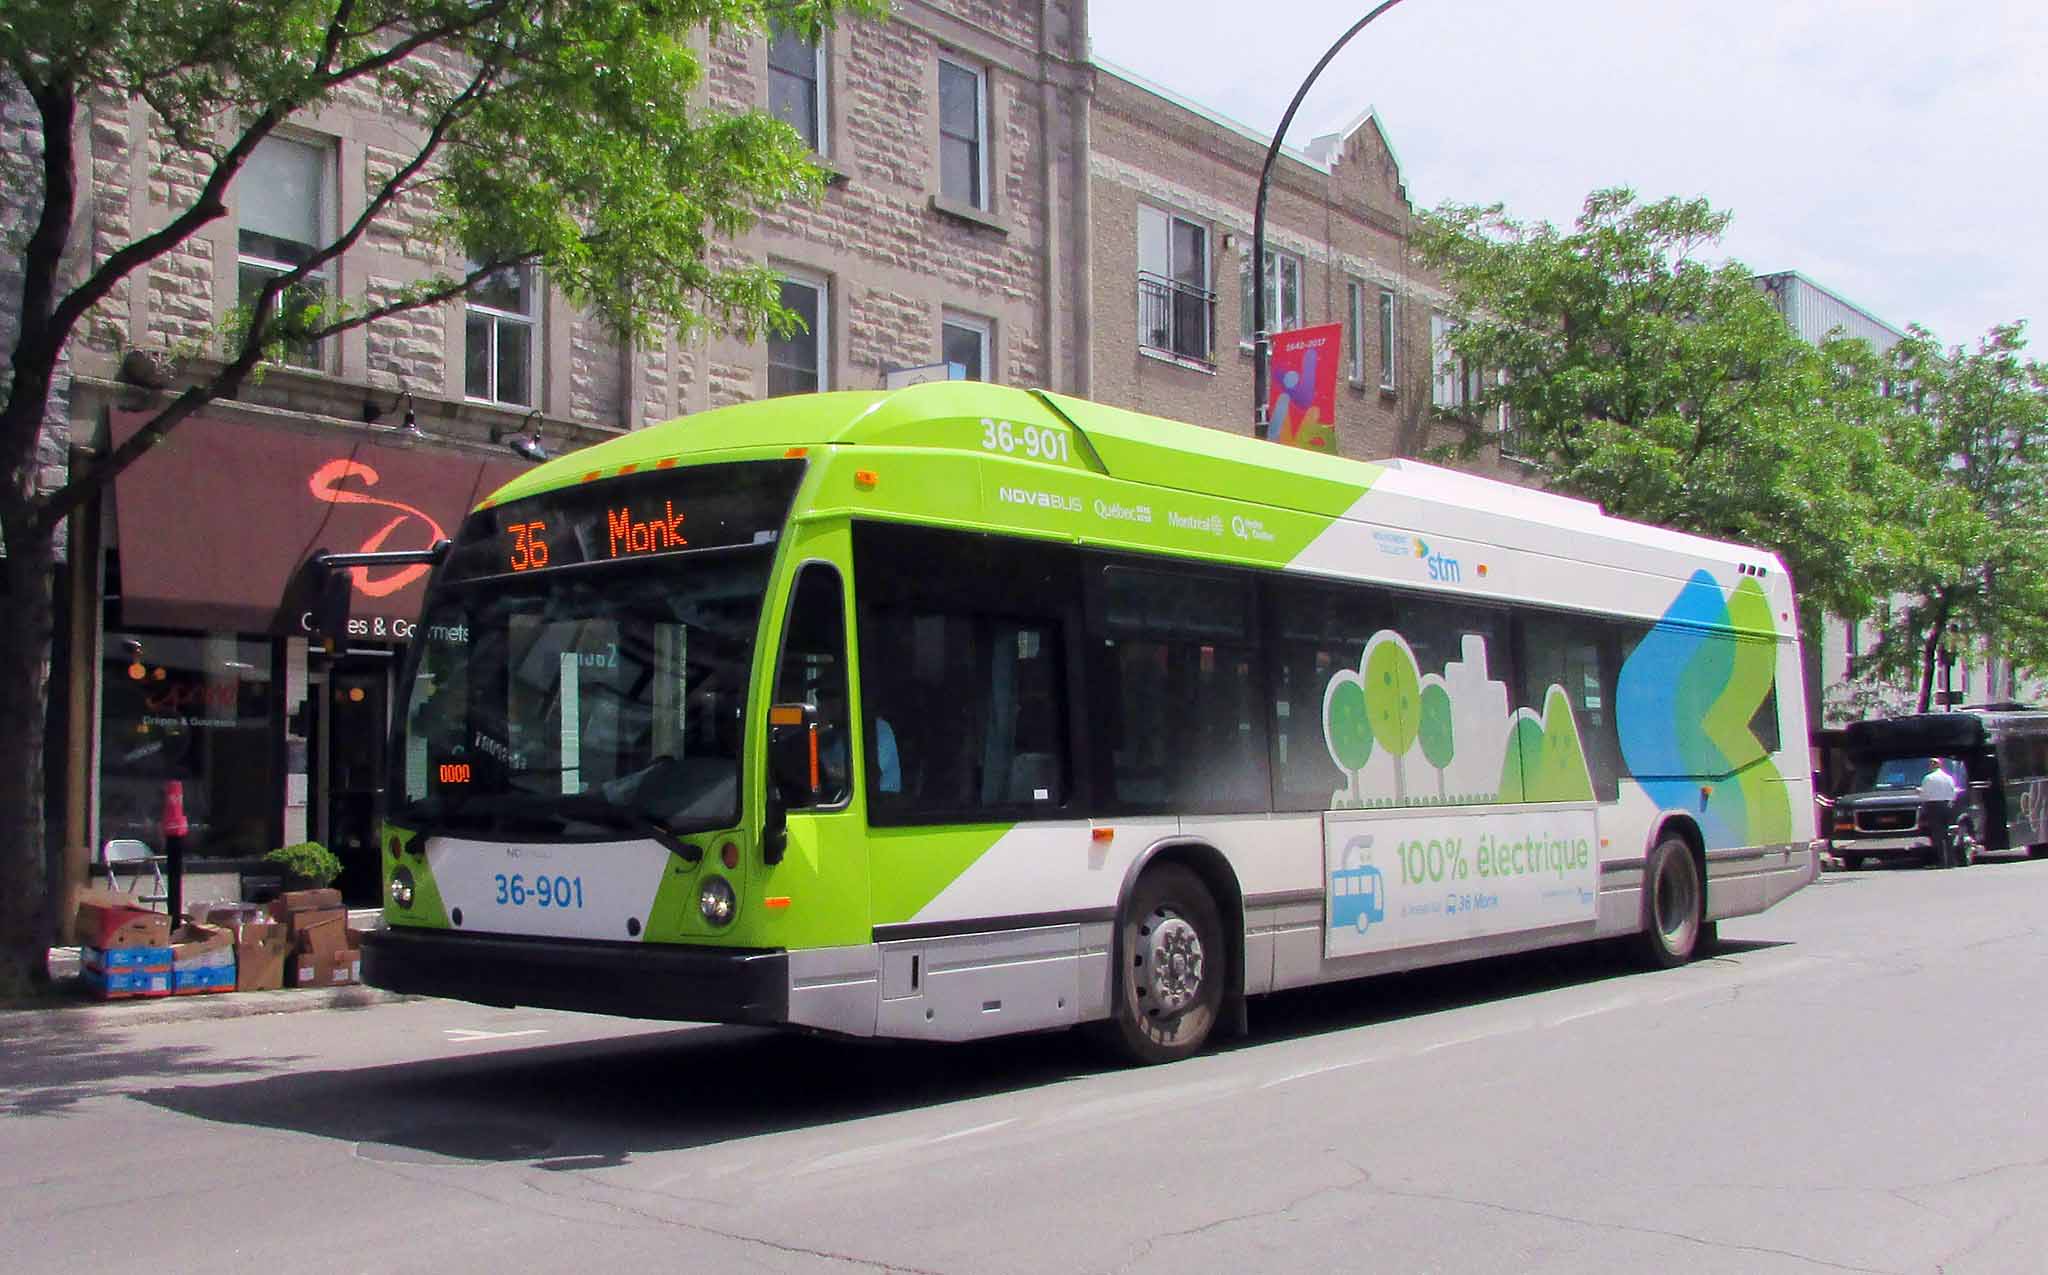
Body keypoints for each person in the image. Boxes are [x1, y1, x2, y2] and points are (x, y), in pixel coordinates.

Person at [1918, 758, 1961, 867]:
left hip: (1933, 806)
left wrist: (1919, 793)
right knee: (1948, 834)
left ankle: (1941, 861)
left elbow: (1925, 795)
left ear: (1933, 765)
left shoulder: (1928, 778)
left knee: (1937, 835)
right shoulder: (1948, 778)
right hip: (1947, 805)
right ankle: (1951, 861)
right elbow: (1953, 791)